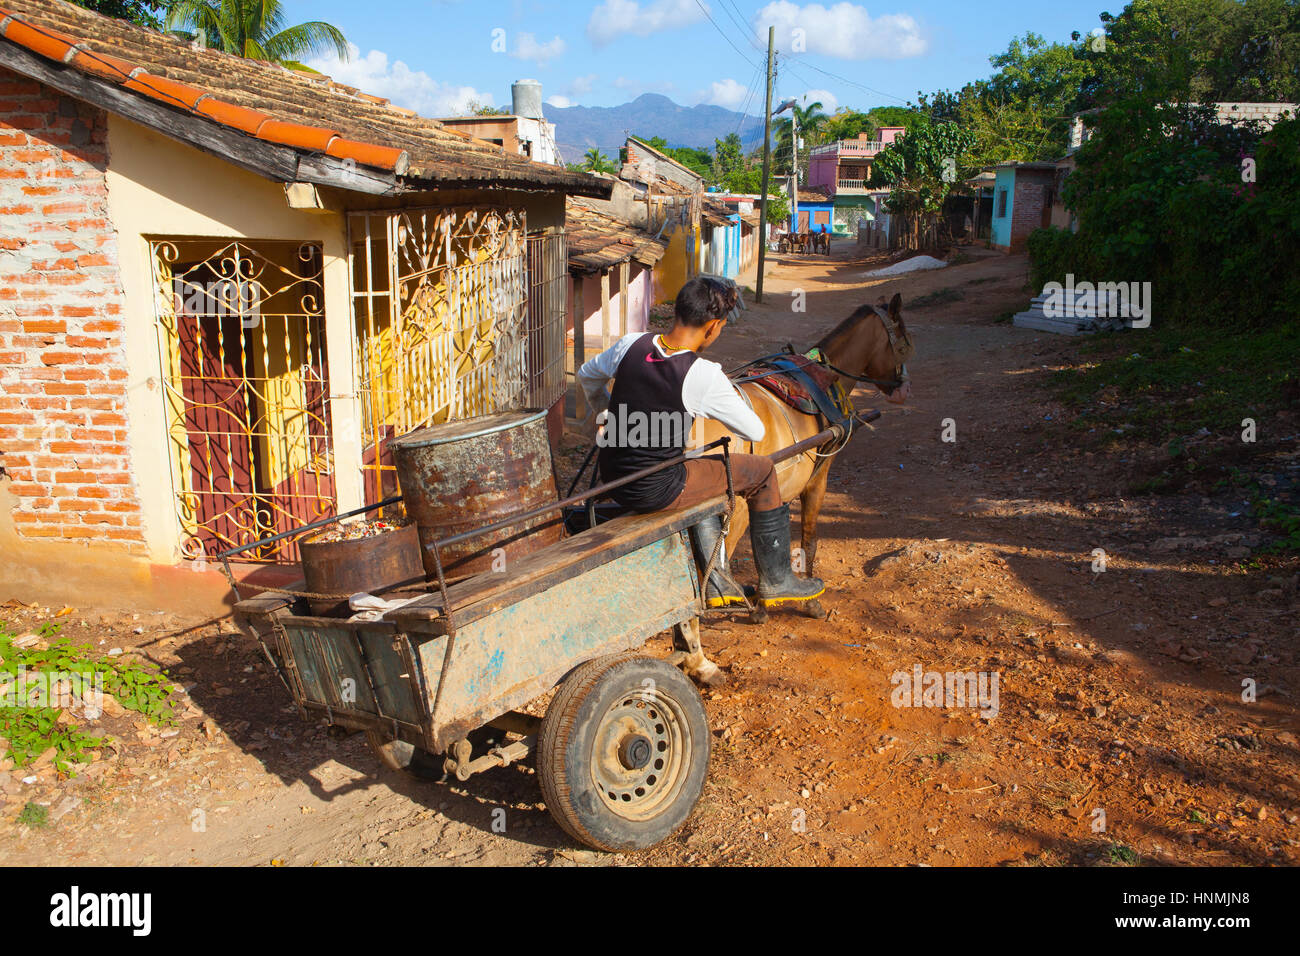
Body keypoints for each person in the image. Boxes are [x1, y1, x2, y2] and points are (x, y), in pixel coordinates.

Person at [577, 275, 824, 608]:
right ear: (713, 327)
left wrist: (608, 414)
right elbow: (755, 432)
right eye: (720, 327)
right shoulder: (703, 374)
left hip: (613, 476)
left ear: (678, 310)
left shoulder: (630, 344)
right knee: (762, 471)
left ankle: (715, 575)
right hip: (657, 488)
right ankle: (777, 578)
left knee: (699, 466)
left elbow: (586, 375)